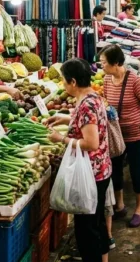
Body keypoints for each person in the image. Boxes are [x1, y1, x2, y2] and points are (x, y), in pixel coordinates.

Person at [45, 59, 112, 261]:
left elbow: (91, 143)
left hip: (91, 174)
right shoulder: (92, 96)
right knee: (96, 222)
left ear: (73, 81)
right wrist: (66, 119)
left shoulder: (86, 105)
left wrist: (62, 138)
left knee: (86, 231)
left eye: (65, 82)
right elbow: (91, 122)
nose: (64, 86)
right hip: (102, 169)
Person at [100, 45, 140, 228]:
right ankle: (120, 205)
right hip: (116, 135)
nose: (102, 66)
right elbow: (107, 103)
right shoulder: (107, 79)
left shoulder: (134, 80)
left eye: (104, 62)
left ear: (116, 63)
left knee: (137, 171)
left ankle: (139, 209)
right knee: (115, 169)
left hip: (136, 135)